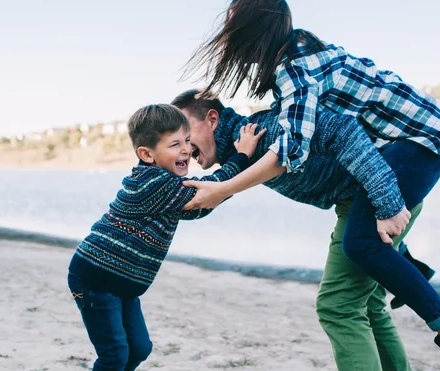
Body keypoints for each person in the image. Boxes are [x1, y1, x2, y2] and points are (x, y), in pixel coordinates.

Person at [180, 0, 440, 370]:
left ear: (256, 28)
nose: (229, 41)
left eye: (235, 30)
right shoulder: (293, 67)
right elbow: (321, 142)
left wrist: (389, 203)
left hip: (420, 138)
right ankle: (421, 283)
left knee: (354, 263)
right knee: (367, 291)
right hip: (402, 146)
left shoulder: (294, 69)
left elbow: (300, 147)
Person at [172, 90, 418, 370]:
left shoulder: (258, 131)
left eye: (185, 133)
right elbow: (215, 192)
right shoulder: (239, 149)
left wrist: (385, 201)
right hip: (379, 194)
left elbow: (340, 128)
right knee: (369, 305)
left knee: (337, 307)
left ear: (212, 119)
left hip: (378, 197)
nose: (183, 146)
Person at [67, 103, 264, 371]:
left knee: (139, 348)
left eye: (187, 140)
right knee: (114, 354)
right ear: (147, 154)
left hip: (121, 282)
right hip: (95, 277)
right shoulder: (153, 182)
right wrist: (242, 156)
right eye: (174, 145)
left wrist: (222, 186)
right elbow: (207, 194)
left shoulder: (167, 186)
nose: (185, 149)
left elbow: (199, 208)